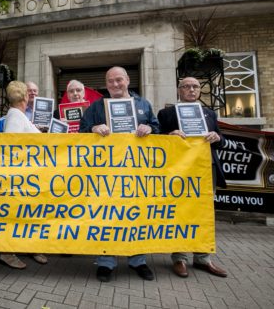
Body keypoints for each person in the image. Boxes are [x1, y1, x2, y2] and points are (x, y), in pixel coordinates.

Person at [79, 66, 159, 282]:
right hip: (105, 175)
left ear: (127, 80)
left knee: (136, 216)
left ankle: (138, 260)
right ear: (106, 84)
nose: (115, 84)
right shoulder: (95, 107)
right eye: (110, 81)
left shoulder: (143, 104)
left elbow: (157, 129)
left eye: (119, 80)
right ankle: (106, 262)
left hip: (137, 174)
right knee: (106, 217)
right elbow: (81, 132)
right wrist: (93, 130)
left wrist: (150, 129)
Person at [157, 77, 228, 278]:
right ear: (178, 90)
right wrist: (169, 135)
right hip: (179, 171)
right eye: (186, 86)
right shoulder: (166, 113)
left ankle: (203, 258)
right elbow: (157, 138)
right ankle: (179, 258)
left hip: (206, 169)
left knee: (204, 213)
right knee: (180, 212)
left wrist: (217, 137)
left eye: (195, 86)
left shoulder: (209, 113)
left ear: (199, 90)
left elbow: (222, 141)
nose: (191, 89)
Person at [0, 81, 48, 269]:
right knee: (16, 216)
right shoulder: (16, 117)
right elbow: (12, 148)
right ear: (25, 97)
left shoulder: (18, 116)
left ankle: (29, 247)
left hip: (29, 176)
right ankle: (7, 253)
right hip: (21, 177)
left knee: (27, 215)